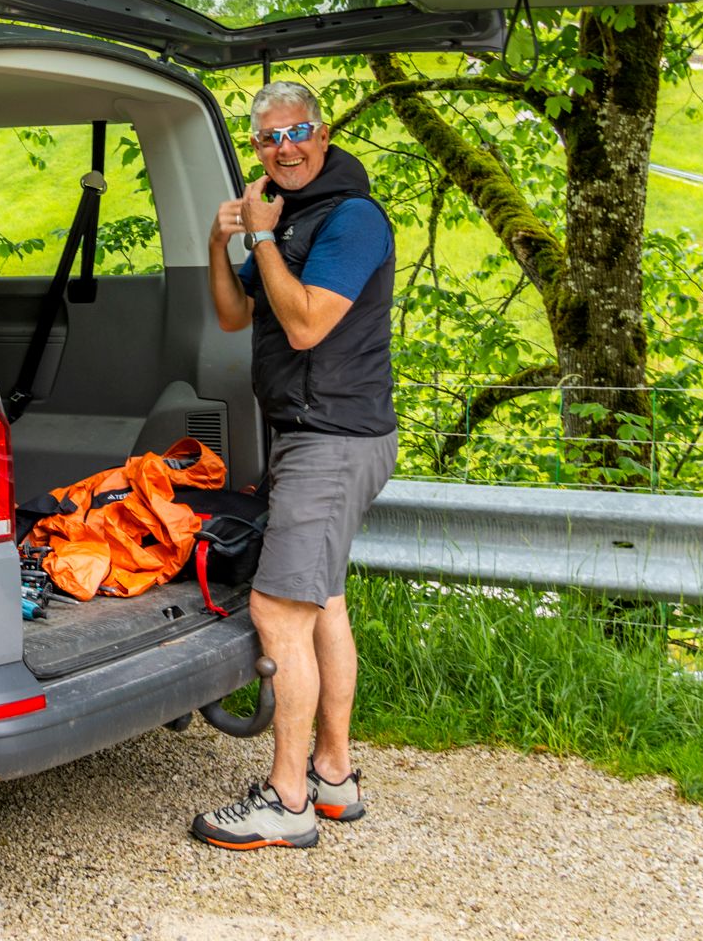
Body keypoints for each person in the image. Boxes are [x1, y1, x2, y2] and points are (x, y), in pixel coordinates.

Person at [190, 80, 399, 851]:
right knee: (323, 603)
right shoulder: (294, 217)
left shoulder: (351, 219)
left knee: (278, 611)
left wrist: (263, 239)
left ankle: (286, 800)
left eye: (298, 130)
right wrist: (223, 242)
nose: (285, 146)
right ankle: (333, 779)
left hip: (333, 438)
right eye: (269, 138)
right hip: (311, 435)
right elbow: (232, 314)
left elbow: (307, 325)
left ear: (324, 131)